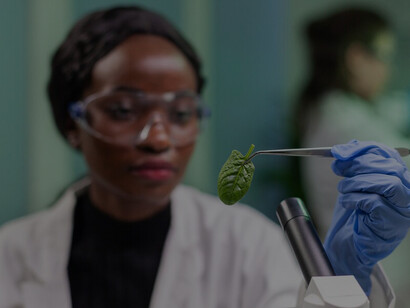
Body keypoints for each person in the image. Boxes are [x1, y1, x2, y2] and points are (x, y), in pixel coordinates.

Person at [0, 5, 408, 308]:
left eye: (180, 113)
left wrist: (343, 278)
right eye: (124, 110)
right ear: (72, 123)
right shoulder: (11, 255)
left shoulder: (250, 244)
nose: (158, 138)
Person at [294, 6, 410, 237]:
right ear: (356, 58)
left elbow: (395, 110)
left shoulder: (337, 110)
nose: (389, 70)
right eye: (385, 57)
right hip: (369, 265)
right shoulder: (343, 120)